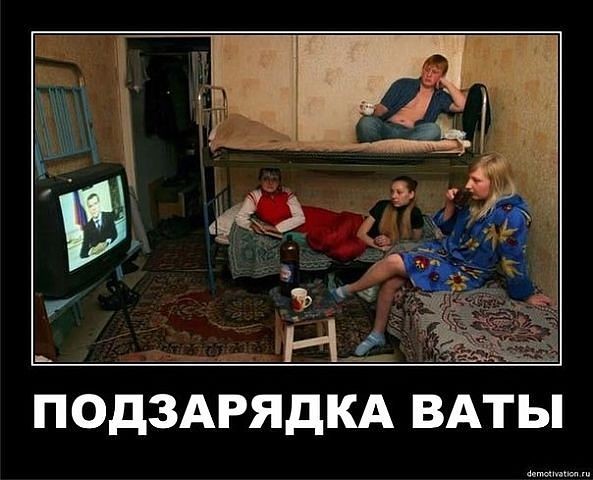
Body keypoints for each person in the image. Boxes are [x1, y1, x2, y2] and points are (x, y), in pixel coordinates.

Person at [330, 152, 553, 356]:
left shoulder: (512, 216)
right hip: (446, 253)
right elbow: (444, 227)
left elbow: (514, 258)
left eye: (476, 180)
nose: (468, 185)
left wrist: (525, 294)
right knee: (391, 281)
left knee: (394, 261)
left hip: (465, 271)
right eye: (469, 178)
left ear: (495, 183)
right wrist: (450, 204)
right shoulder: (475, 201)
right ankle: (377, 334)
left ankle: (344, 291)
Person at [356, 54, 466, 143]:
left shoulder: (440, 96)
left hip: (411, 135)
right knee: (366, 123)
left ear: (441, 76)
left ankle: (391, 151)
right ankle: (386, 150)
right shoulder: (403, 84)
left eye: (434, 72)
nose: (428, 74)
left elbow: (462, 105)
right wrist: (372, 109)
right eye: (426, 70)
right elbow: (383, 109)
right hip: (387, 129)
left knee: (434, 130)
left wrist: (446, 83)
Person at [357, 175, 424, 251]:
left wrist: (391, 242)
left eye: (399, 192)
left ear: (411, 194)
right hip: (356, 225)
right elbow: (361, 234)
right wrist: (381, 247)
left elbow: (414, 241)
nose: (393, 196)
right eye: (392, 191)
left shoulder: (415, 213)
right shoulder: (381, 205)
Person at [235, 167, 305, 236]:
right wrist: (251, 225)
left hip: (294, 228)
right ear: (260, 180)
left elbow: (300, 218)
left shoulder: (287, 192)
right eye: (265, 179)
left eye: (274, 179)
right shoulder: (255, 196)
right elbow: (240, 217)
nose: (270, 183)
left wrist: (276, 229)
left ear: (279, 182)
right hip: (272, 233)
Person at [80, 193, 118, 258]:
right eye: (90, 206)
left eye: (95, 203)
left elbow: (114, 234)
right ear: (88, 209)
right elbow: (83, 253)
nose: (93, 208)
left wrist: (106, 242)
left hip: (112, 255)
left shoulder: (109, 216)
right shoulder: (87, 227)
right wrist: (93, 250)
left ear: (99, 204)